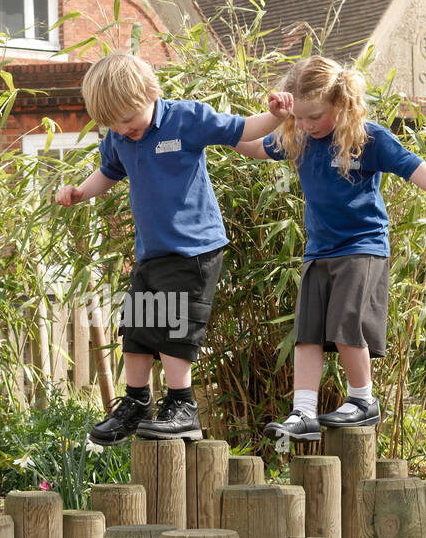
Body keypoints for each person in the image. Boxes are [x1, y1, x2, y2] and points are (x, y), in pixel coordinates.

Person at [55, 51, 293, 443]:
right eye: (113, 125)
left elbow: (244, 130)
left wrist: (277, 117)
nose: (123, 130)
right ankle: (136, 403)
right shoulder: (118, 136)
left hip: (194, 249)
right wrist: (80, 193)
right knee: (138, 327)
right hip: (152, 251)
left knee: (174, 328)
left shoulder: (186, 118)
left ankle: (183, 405)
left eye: (128, 121)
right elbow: (108, 173)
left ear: (150, 93)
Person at [235, 54, 426, 441]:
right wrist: (240, 129)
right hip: (319, 251)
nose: (307, 125)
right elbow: (254, 146)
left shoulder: (366, 138)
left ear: (340, 104)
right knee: (307, 334)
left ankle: (363, 400)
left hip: (362, 248)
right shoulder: (298, 135)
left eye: (315, 117)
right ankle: (304, 412)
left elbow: (413, 166)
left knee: (346, 325)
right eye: (301, 118)